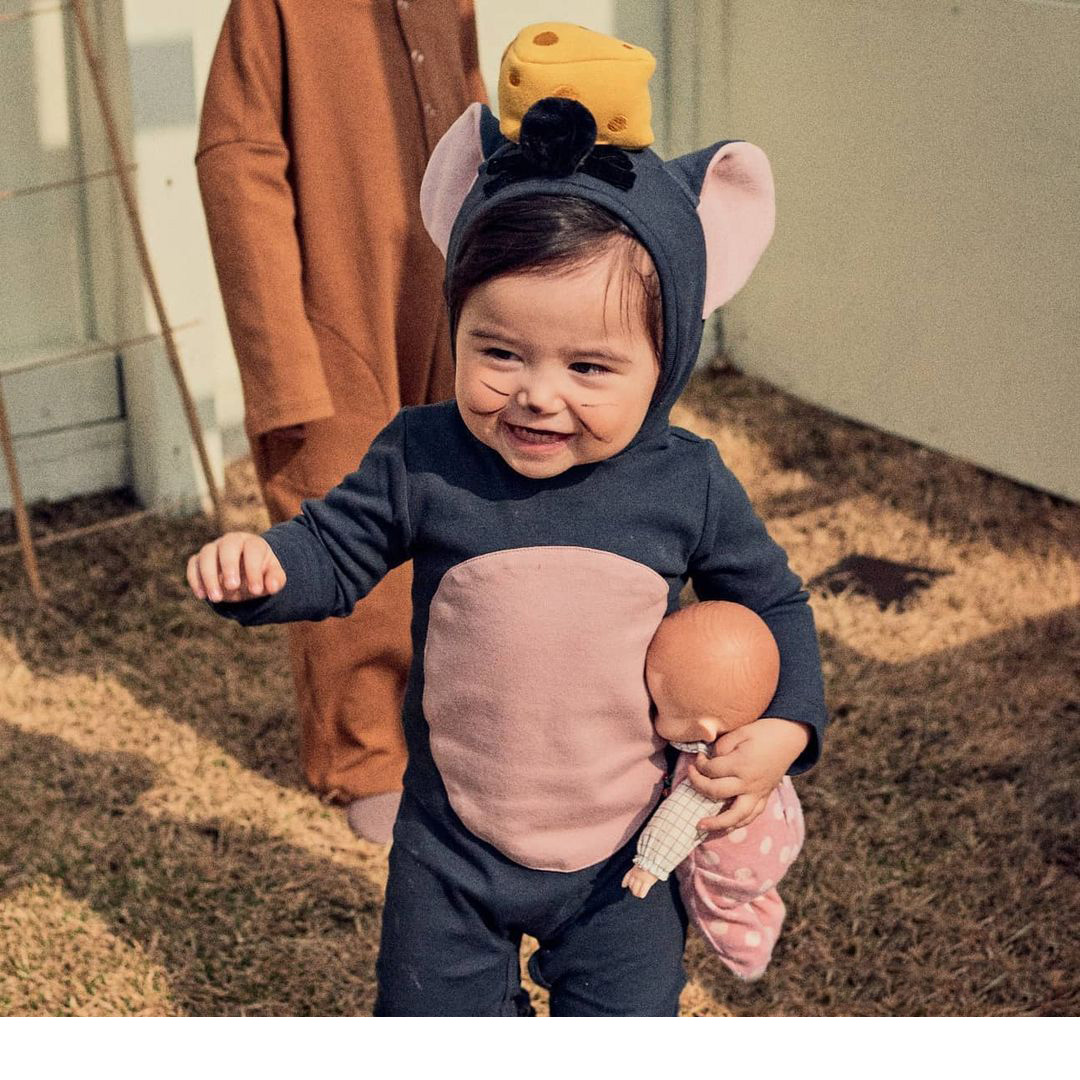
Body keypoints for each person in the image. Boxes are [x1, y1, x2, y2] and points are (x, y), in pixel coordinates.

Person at [185, 23, 827, 1015]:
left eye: (590, 367)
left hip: (623, 862)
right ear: (458, 322)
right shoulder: (424, 454)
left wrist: (786, 726)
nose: (538, 395)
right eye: (499, 353)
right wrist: (264, 569)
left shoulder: (685, 482)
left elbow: (774, 602)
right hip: (450, 850)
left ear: (667, 363)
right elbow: (333, 549)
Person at [194, 0, 488, 843]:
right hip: (328, 310)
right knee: (341, 507)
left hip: (445, 286)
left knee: (452, 500)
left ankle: (440, 723)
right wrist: (278, 353)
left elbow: (474, 125)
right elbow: (235, 164)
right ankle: (364, 755)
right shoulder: (277, 7)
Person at [622, 600, 806, 981]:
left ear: (703, 729)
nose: (652, 709)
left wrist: (649, 865)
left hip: (730, 868)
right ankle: (765, 906)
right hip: (777, 837)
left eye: (660, 707)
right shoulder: (752, 735)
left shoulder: (710, 765)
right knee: (757, 895)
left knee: (718, 911)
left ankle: (749, 958)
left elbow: (681, 818)